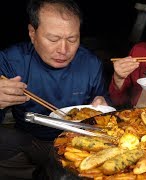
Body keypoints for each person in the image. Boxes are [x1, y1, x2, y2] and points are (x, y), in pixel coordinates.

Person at [0, 0, 111, 179]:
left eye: (72, 39)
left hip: (75, 145)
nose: (63, 49)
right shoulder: (11, 60)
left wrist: (104, 104)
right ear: (32, 33)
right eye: (53, 39)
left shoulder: (90, 63)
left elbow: (105, 105)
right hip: (31, 140)